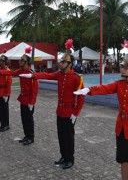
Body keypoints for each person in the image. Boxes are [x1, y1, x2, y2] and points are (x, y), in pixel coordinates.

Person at [74, 35, 128, 180]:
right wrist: (88, 90)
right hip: (121, 128)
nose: (122, 69)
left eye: (126, 67)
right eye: (122, 66)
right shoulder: (119, 84)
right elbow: (104, 88)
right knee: (122, 160)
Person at [20, 39, 85, 169]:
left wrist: (75, 113)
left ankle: (69, 159)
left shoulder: (76, 78)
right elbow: (47, 75)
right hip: (60, 111)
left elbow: (81, 97)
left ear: (70, 64)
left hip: (69, 112)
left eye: (63, 62)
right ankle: (63, 156)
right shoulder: (60, 75)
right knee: (60, 135)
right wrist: (33, 76)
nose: (60, 64)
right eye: (61, 62)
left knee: (68, 137)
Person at [0, 47, 39, 145]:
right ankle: (26, 135)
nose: (19, 62)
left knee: (29, 119)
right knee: (23, 118)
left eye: (21, 60)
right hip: (23, 98)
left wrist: (32, 102)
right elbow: (11, 72)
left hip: (29, 100)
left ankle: (31, 137)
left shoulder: (31, 73)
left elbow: (35, 89)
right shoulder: (21, 71)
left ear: (26, 62)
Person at [0, 50, 12, 132]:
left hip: (5, 92)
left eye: (1, 61)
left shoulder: (7, 71)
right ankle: (2, 124)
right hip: (0, 91)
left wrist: (6, 94)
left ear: (4, 62)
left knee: (5, 110)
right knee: (0, 109)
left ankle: (6, 125)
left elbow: (9, 83)